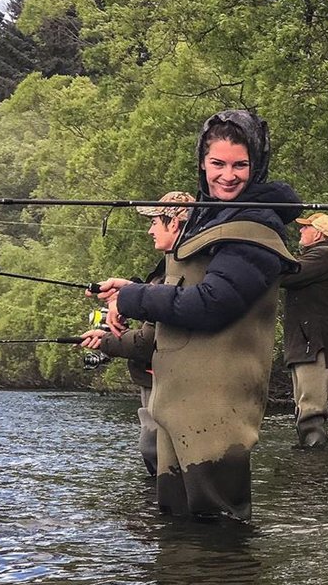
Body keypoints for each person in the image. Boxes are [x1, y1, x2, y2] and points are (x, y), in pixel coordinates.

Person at [95, 110, 300, 522]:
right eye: (217, 164)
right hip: (178, 406)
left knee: (216, 534)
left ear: (256, 166)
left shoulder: (255, 229)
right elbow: (185, 291)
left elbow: (210, 304)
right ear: (202, 163)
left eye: (240, 165)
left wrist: (135, 298)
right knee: (177, 529)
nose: (228, 175)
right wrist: (131, 290)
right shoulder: (212, 218)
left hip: (216, 416)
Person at [79, 191, 195, 476]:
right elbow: (158, 301)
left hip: (167, 382)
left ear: (175, 225)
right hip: (161, 381)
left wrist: (105, 341)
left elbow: (149, 341)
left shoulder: (183, 270)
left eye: (155, 222)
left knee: (155, 451)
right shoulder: (170, 267)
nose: (150, 229)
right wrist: (129, 289)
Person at [280, 212, 328, 448]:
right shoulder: (320, 256)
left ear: (318, 233)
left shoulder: (325, 255)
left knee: (311, 413)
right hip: (309, 343)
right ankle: (309, 469)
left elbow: (287, 275)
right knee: (305, 410)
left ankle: (314, 474)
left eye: (306, 228)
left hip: (316, 345)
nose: (301, 231)